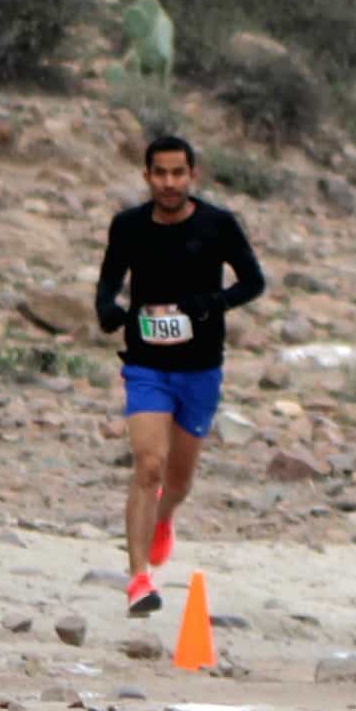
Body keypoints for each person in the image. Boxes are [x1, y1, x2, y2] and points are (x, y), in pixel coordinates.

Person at [95, 133, 266, 615]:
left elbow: (253, 282)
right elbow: (110, 278)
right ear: (146, 176)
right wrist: (107, 307)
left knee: (179, 478)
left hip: (200, 368)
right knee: (148, 465)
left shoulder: (218, 225)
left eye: (178, 173)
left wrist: (212, 303)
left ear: (193, 176)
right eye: (160, 174)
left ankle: (165, 517)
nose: (169, 183)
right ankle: (138, 581)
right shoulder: (127, 226)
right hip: (146, 363)